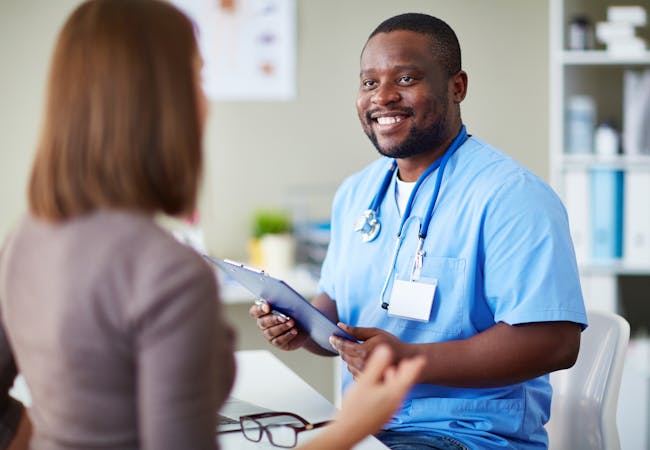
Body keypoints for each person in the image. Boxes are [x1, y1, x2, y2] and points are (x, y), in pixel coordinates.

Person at [0, 1, 424, 449]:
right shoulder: (168, 273)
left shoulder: (27, 237)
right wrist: (352, 427)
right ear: (165, 103)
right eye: (198, 77)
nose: (205, 99)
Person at [251, 12, 588, 450]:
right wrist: (300, 326)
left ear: (457, 86)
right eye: (369, 83)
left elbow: (554, 342)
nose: (383, 97)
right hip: (366, 427)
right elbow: (335, 313)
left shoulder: (513, 197)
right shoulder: (355, 194)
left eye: (406, 78)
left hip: (466, 437)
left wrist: (409, 359)